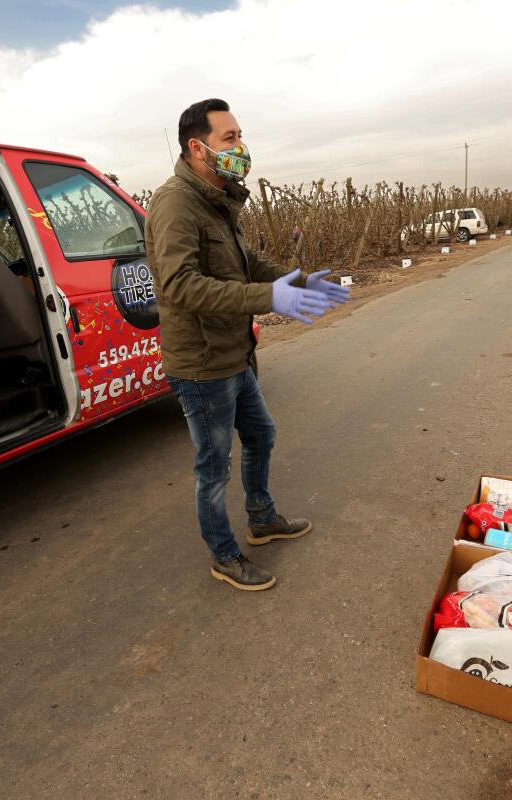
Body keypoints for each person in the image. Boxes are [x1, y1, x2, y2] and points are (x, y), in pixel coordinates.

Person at [145, 98, 350, 592]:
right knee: (213, 469)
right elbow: (180, 286)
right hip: (201, 365)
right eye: (229, 138)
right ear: (198, 148)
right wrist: (270, 297)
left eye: (240, 135)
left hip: (234, 353)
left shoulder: (218, 197)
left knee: (262, 435)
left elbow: (247, 262)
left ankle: (261, 519)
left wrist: (296, 282)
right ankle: (224, 555)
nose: (241, 146)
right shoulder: (175, 203)